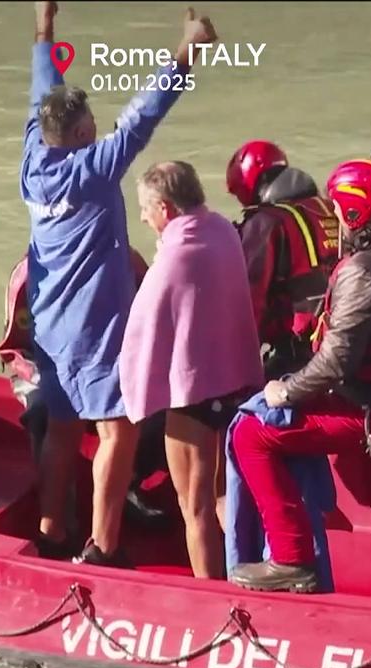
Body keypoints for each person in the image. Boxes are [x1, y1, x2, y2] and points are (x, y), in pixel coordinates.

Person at [21, 1, 217, 565]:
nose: (101, 131)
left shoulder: (34, 152)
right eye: (93, 130)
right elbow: (143, 116)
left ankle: (52, 529)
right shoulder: (93, 168)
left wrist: (45, 26)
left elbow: (42, 89)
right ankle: (102, 547)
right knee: (119, 432)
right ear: (83, 134)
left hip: (51, 320)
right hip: (96, 324)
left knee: (61, 426)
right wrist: (190, 48)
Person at [227, 159, 371, 597]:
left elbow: (336, 362)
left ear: (354, 212)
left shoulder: (363, 271)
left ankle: (291, 559)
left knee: (251, 434)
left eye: (338, 208)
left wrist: (285, 391)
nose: (333, 217)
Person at [120, 161, 263, 579]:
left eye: (146, 209)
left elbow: (141, 334)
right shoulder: (221, 230)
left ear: (164, 208)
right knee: (222, 497)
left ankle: (213, 597)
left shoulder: (173, 259)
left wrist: (132, 393)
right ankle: (245, 570)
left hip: (195, 394)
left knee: (193, 506)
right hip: (234, 381)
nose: (143, 217)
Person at [0, 251, 172, 529]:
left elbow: (155, 334)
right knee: (43, 410)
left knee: (166, 407)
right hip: (47, 372)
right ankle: (56, 512)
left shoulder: (131, 268)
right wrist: (48, 378)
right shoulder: (29, 276)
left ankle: (127, 484)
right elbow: (15, 348)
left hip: (115, 370)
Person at [227, 140, 341, 379]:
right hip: (343, 336)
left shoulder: (265, 223)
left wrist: (237, 368)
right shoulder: (330, 207)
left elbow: (250, 302)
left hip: (300, 355)